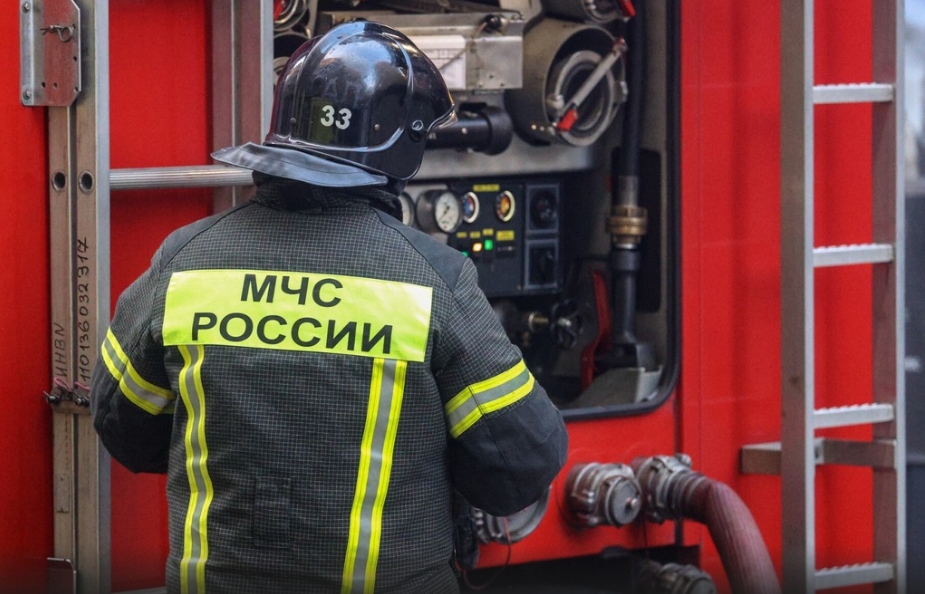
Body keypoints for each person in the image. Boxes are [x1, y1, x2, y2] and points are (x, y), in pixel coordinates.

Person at [91, 21, 568, 594]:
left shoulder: (184, 261)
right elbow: (522, 462)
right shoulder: (433, 280)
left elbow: (123, 424)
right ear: (404, 145)